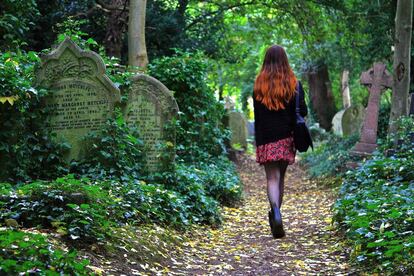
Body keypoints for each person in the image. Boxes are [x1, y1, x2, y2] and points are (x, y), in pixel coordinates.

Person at [253, 45, 308, 239]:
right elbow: (303, 111)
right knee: (281, 178)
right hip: (286, 137)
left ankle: (275, 212)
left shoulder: (259, 84)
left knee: (271, 178)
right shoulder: (294, 83)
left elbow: (258, 116)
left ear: (266, 60)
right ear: (285, 60)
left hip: (266, 138)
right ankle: (277, 216)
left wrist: (258, 142)